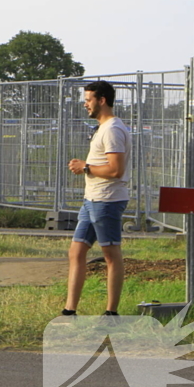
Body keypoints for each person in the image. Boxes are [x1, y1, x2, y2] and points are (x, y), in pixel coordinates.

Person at [63, 80, 131, 317]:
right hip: (91, 199)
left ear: (102, 100)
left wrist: (86, 167)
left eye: (89, 100)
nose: (85, 105)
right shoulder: (103, 128)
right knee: (76, 251)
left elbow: (115, 170)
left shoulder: (112, 129)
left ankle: (111, 312)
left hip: (107, 200)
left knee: (110, 255)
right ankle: (69, 310)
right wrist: (87, 168)